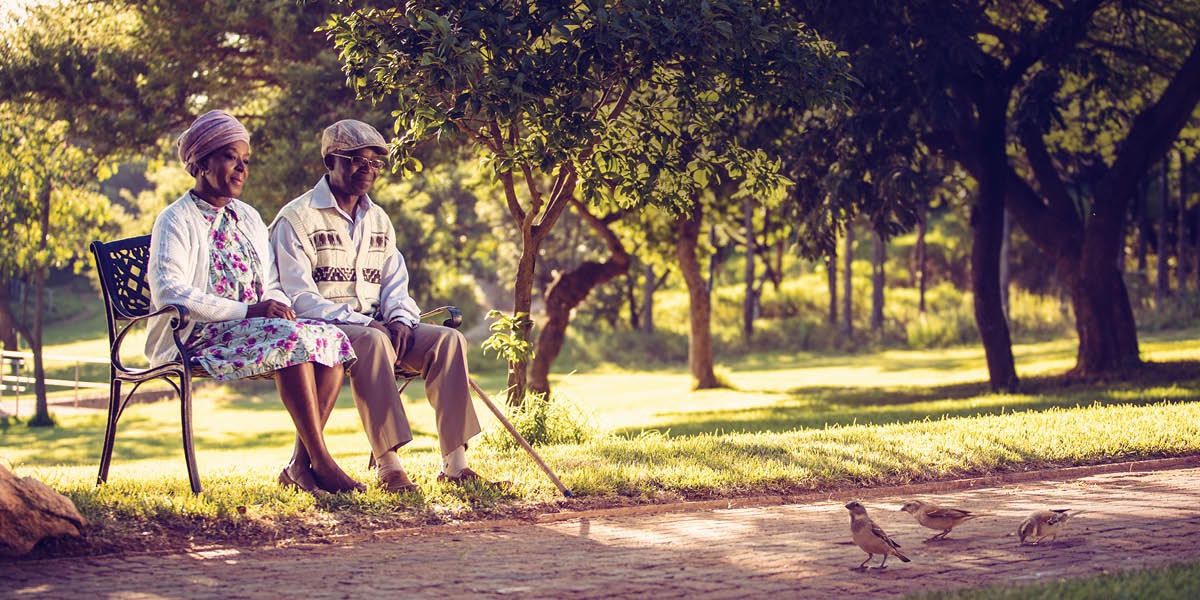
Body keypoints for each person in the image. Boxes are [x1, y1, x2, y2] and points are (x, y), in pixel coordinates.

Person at [269, 119, 494, 494]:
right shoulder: (295, 218)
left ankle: (455, 464)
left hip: (378, 325)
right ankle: (389, 467)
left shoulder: (378, 219)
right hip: (325, 330)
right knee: (373, 342)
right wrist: (366, 323)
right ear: (330, 162)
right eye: (356, 160)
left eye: (375, 163)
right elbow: (299, 298)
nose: (367, 170)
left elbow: (395, 282)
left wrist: (401, 318)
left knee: (448, 341)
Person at [146, 110, 363, 496]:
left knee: (329, 338)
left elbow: (272, 281)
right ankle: (323, 463)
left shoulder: (247, 216)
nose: (241, 169)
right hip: (196, 337)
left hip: (254, 329)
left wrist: (275, 304)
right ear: (199, 163)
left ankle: (300, 465)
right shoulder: (174, 220)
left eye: (245, 161)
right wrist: (249, 311)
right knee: (292, 342)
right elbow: (170, 292)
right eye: (231, 157)